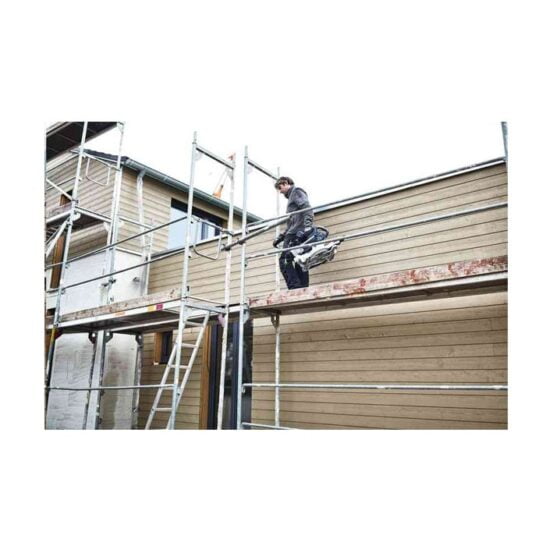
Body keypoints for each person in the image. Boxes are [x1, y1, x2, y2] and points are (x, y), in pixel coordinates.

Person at [272, 176, 314, 289]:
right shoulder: (292, 196)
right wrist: (281, 237)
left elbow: (307, 208)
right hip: (296, 231)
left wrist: (308, 226)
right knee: (299, 259)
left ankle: (294, 287)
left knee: (284, 259)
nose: (280, 192)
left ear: (285, 183)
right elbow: (291, 223)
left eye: (280, 188)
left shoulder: (296, 191)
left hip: (296, 233)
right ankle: (303, 287)